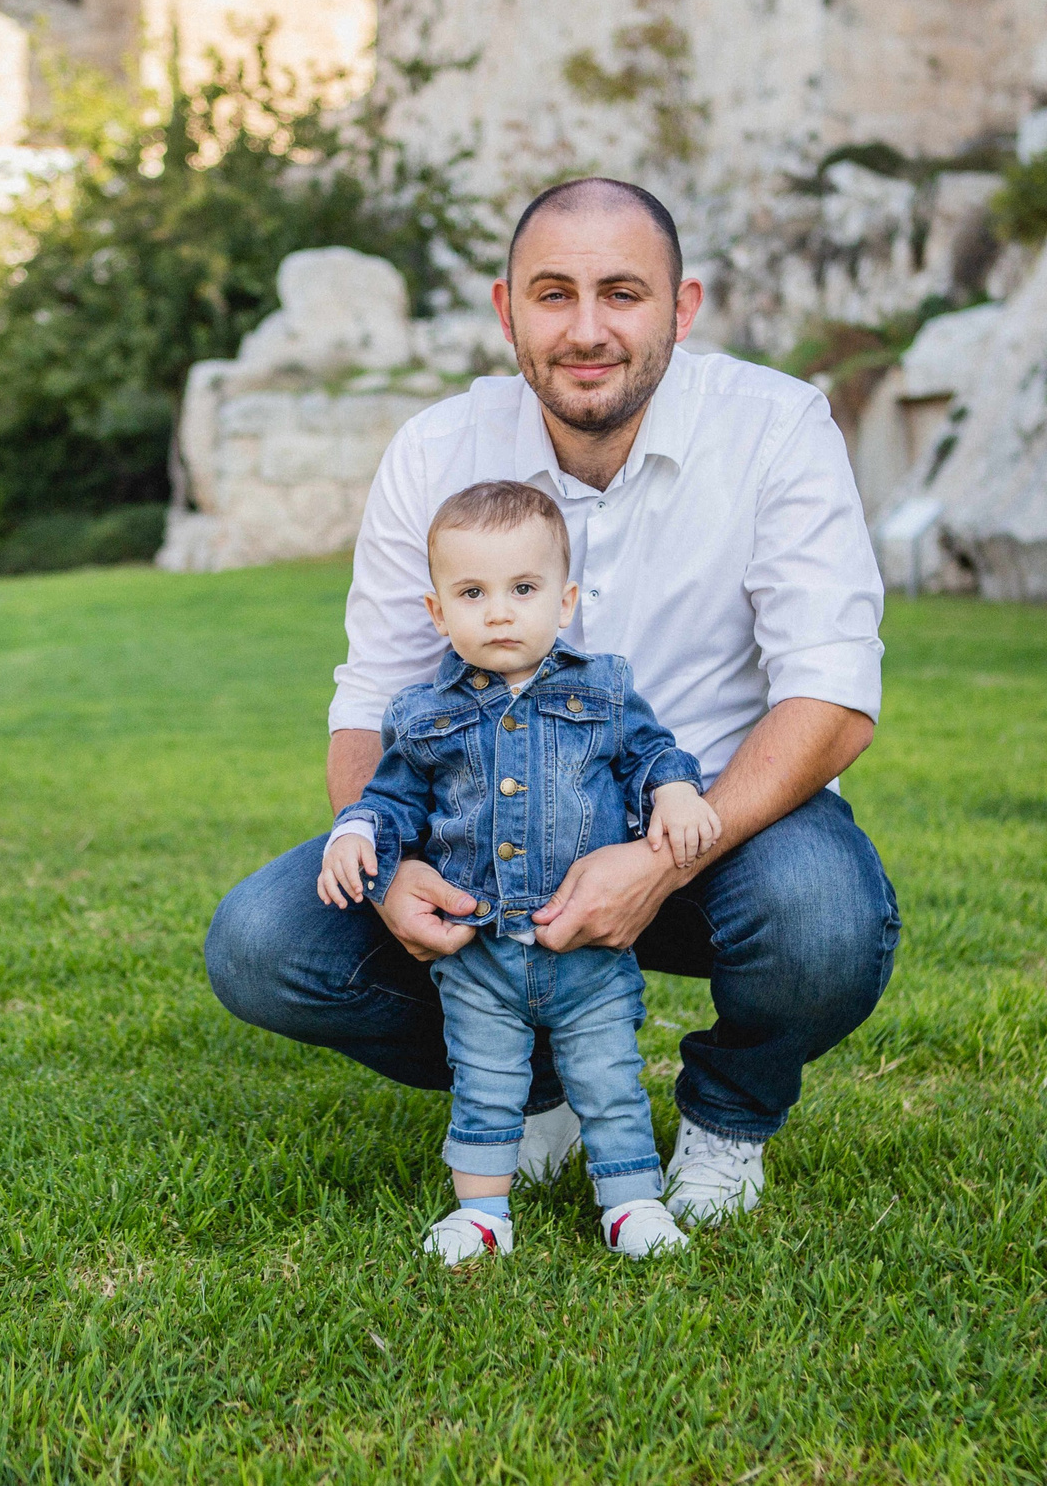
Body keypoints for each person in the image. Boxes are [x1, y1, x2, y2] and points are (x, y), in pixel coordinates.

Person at [207, 175, 898, 1228]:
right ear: (506, 310)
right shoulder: (435, 449)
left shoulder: (776, 426)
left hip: (716, 827)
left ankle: (728, 1117)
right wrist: (385, 865)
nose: (585, 331)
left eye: (621, 293)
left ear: (682, 308)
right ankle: (536, 1084)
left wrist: (659, 860)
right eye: (553, 294)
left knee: (824, 919)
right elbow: (374, 695)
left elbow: (832, 693)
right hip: (482, 838)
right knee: (263, 940)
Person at [319, 479, 722, 1263]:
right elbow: (391, 799)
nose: (499, 612)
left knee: (610, 1077)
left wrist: (674, 790)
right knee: (484, 1083)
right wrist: (357, 832)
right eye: (472, 592)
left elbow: (650, 753)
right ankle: (480, 1213)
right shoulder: (423, 715)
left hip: (587, 950)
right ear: (438, 612)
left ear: (565, 602)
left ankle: (631, 1203)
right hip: (479, 953)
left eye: (524, 589)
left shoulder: (602, 689)